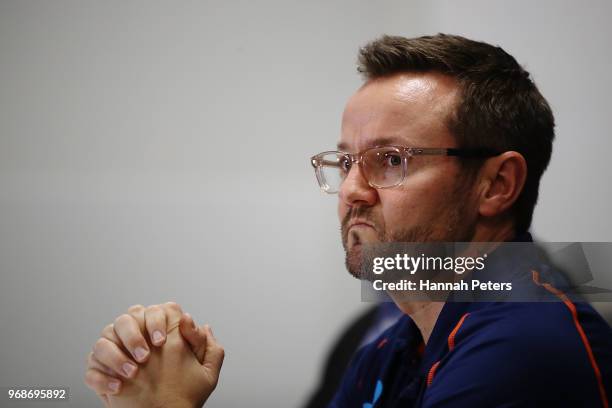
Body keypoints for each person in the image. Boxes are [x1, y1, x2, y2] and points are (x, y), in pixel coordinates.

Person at [83, 34, 612, 407]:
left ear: (496, 185)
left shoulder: (524, 349)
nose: (354, 191)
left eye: (392, 160)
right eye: (346, 161)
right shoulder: (393, 346)